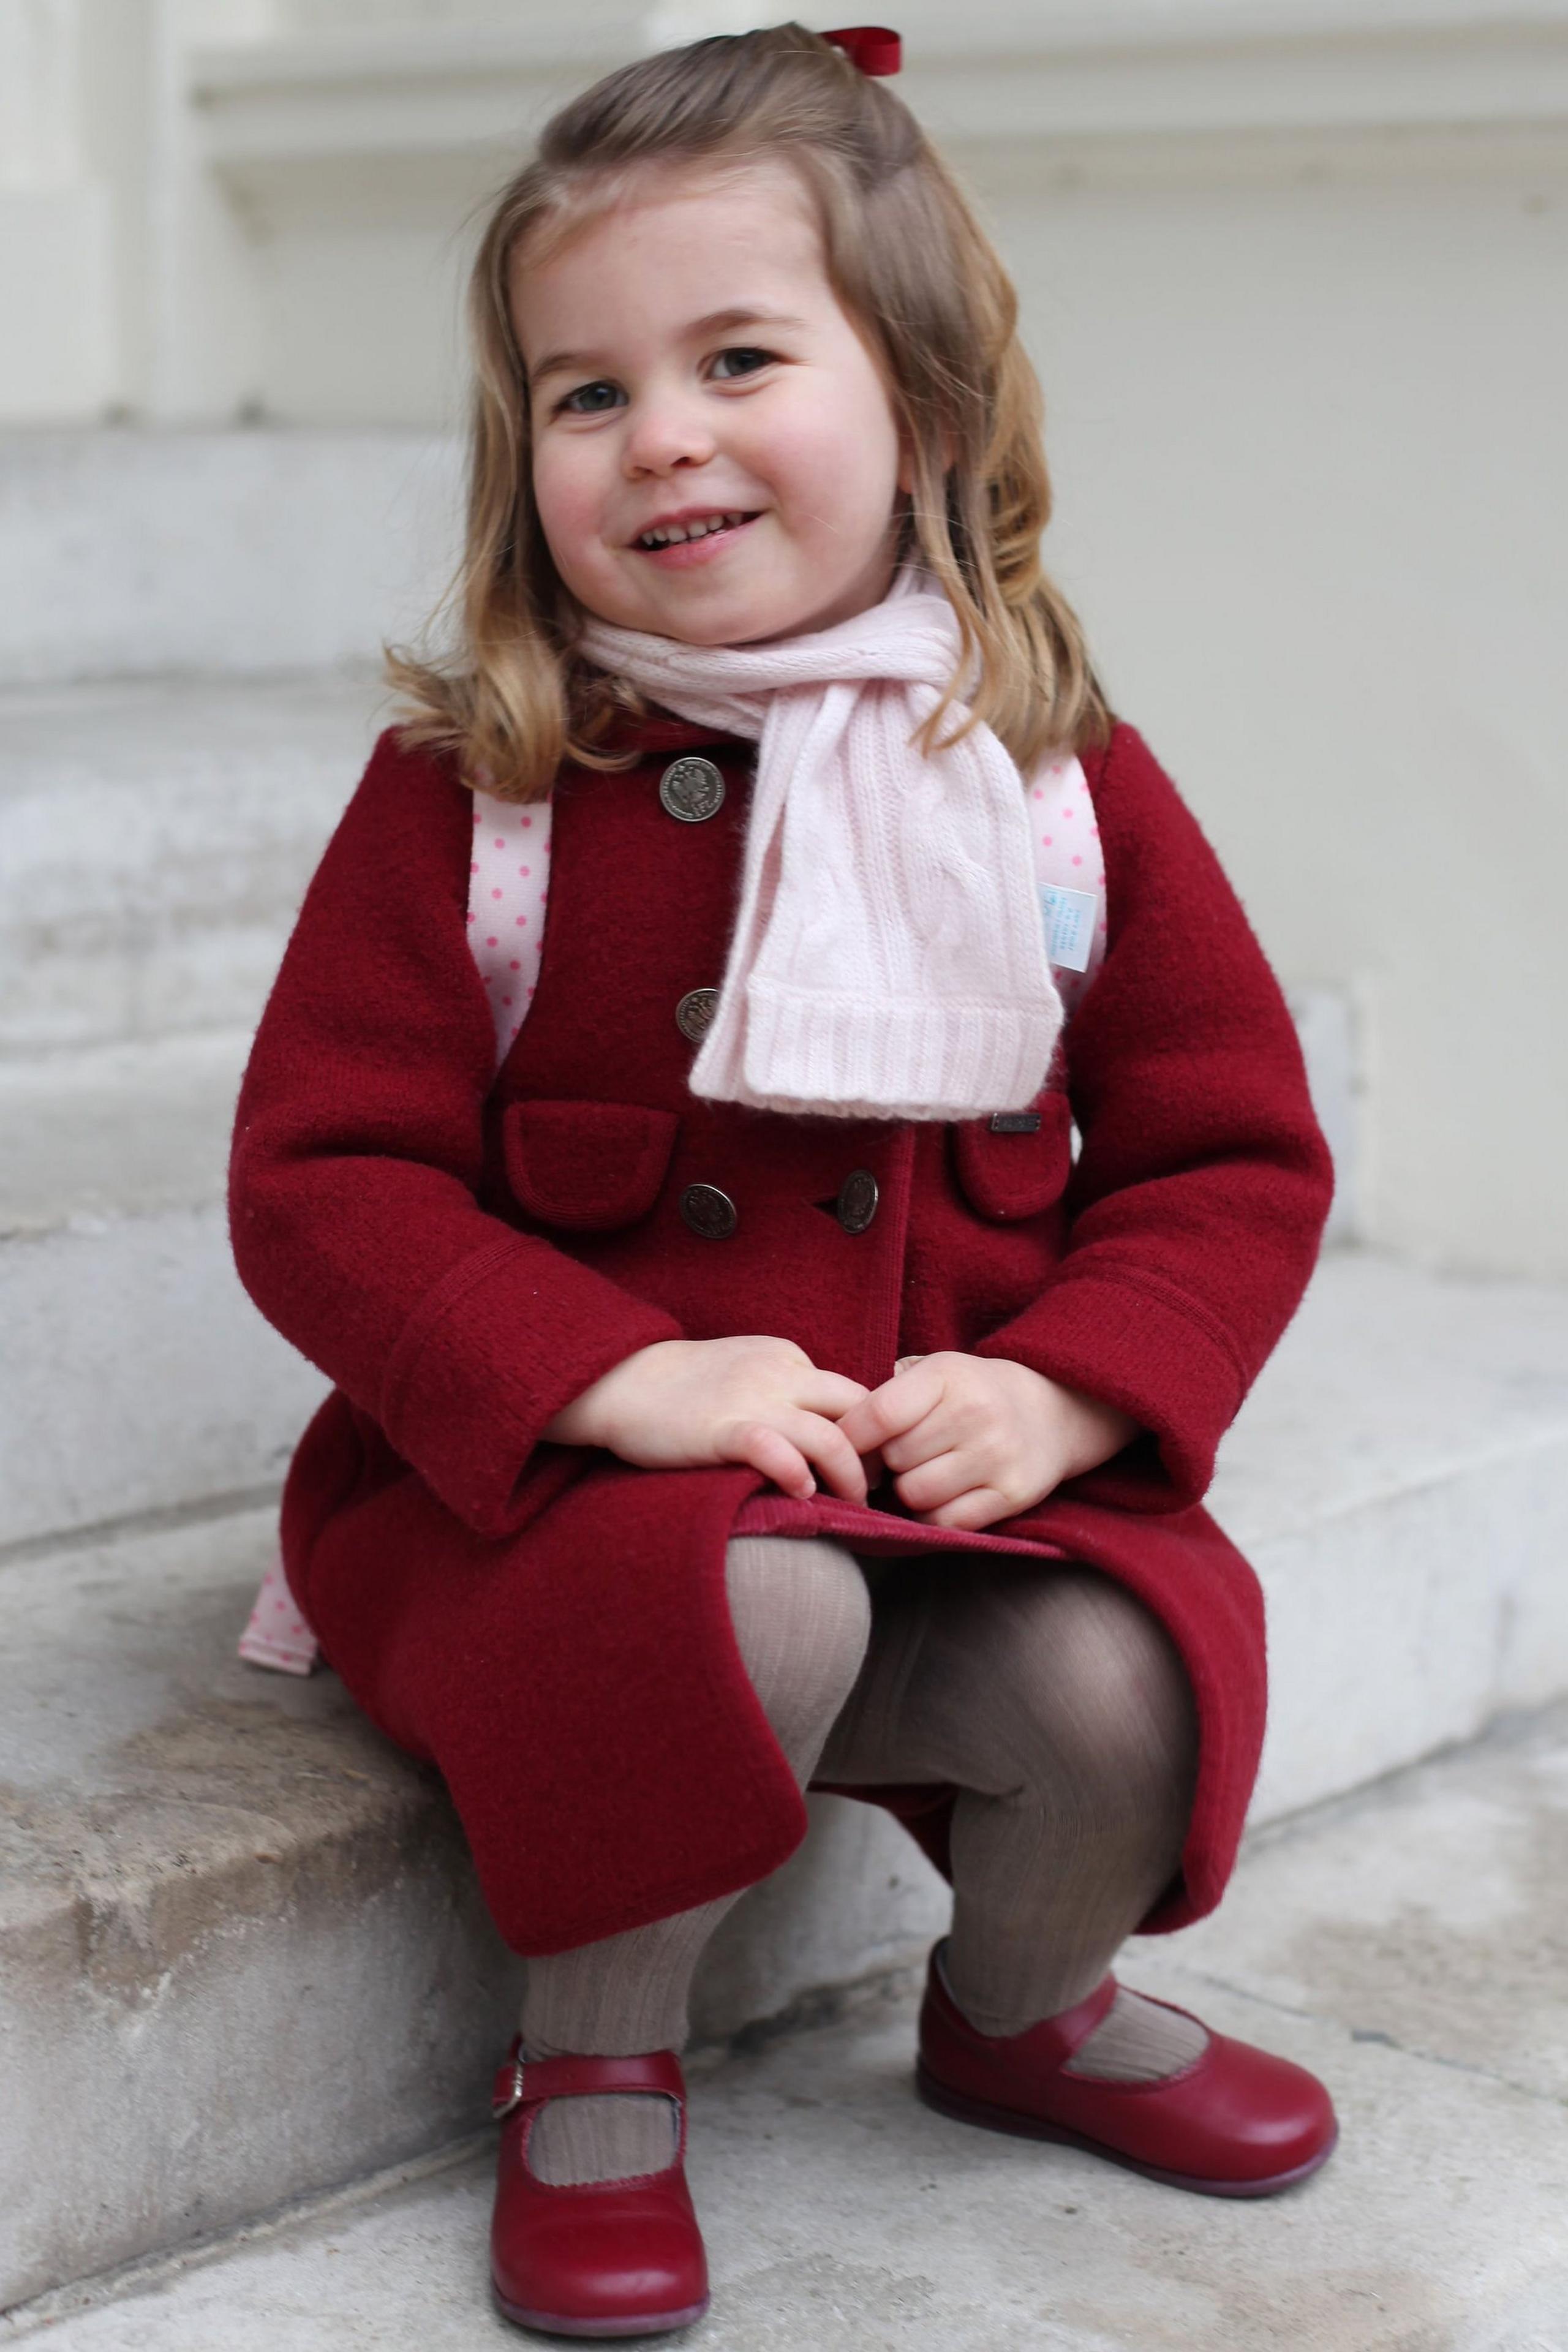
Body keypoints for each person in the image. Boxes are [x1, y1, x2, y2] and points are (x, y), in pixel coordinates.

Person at [228, 21, 1339, 2339]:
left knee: (1128, 1673)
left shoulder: (1044, 774)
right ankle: (596, 2053)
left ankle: (1019, 2010)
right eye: (584, 390)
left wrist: (1068, 1398)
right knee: (757, 1611)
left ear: (918, 403)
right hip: (575, 1508)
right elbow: (325, 1178)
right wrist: (609, 1380)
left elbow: (1231, 1152)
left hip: (939, 1482)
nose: (664, 436)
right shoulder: (489, 796)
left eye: (739, 354)